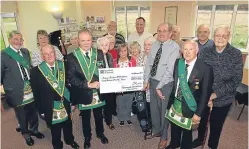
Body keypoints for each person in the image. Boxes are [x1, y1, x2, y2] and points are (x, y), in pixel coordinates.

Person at [192, 26, 243, 149]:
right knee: (203, 122)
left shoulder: (236, 54)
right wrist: (205, 94)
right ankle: (200, 139)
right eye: (217, 35)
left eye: (224, 36)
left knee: (216, 124)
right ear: (213, 37)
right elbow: (199, 73)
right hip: (205, 96)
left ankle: (212, 145)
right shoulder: (205, 51)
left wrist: (215, 94)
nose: (220, 38)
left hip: (224, 98)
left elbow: (236, 80)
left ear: (228, 37)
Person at [165, 40, 213, 149]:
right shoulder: (178, 63)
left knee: (187, 132)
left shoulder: (205, 68)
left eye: (190, 49)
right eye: (185, 49)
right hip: (176, 102)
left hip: (191, 106)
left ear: (197, 50)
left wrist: (198, 113)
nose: (187, 52)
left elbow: (205, 94)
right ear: (181, 51)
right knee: (174, 126)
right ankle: (174, 143)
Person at [30, 45, 79, 149]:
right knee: (55, 129)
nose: (49, 56)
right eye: (46, 54)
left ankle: (70, 140)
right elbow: (36, 93)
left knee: (68, 124)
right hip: (50, 106)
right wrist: (41, 110)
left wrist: (73, 101)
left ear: (55, 53)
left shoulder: (64, 65)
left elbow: (71, 85)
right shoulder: (36, 71)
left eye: (51, 53)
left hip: (65, 101)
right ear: (42, 56)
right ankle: (57, 145)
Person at [1, 30, 44, 146]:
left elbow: (29, 69)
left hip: (30, 88)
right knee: (22, 116)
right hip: (16, 92)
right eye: (15, 39)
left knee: (33, 112)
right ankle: (26, 135)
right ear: (10, 40)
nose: (18, 42)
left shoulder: (25, 52)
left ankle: (34, 130)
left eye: (21, 39)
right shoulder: (3, 54)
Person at [67, 29, 108, 149]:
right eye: (83, 40)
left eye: (88, 40)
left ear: (92, 40)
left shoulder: (99, 53)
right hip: (84, 92)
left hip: (98, 92)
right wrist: (87, 85)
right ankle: (87, 137)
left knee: (99, 115)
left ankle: (100, 134)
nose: (86, 43)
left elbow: (104, 71)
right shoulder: (72, 57)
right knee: (85, 118)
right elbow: (71, 78)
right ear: (78, 41)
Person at [144, 23, 180, 149]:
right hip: (153, 81)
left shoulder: (174, 47)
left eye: (164, 31)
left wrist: (159, 86)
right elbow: (149, 64)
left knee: (164, 111)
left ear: (170, 33)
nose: (161, 33)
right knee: (154, 108)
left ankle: (164, 138)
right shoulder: (154, 44)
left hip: (165, 84)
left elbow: (170, 70)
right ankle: (156, 130)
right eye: (159, 30)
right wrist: (146, 79)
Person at [114, 43, 136, 126]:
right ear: (118, 52)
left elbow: (135, 73)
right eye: (121, 51)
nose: (123, 53)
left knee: (129, 102)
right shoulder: (115, 61)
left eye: (125, 51)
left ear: (127, 51)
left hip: (129, 86)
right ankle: (121, 118)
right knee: (120, 103)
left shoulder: (132, 60)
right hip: (119, 86)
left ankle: (128, 117)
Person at [96, 36, 116, 130]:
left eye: (106, 45)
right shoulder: (95, 57)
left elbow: (112, 69)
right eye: (102, 45)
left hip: (109, 84)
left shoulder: (110, 55)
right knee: (100, 105)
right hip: (99, 85)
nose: (104, 47)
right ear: (98, 46)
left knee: (109, 104)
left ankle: (109, 121)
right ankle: (100, 124)